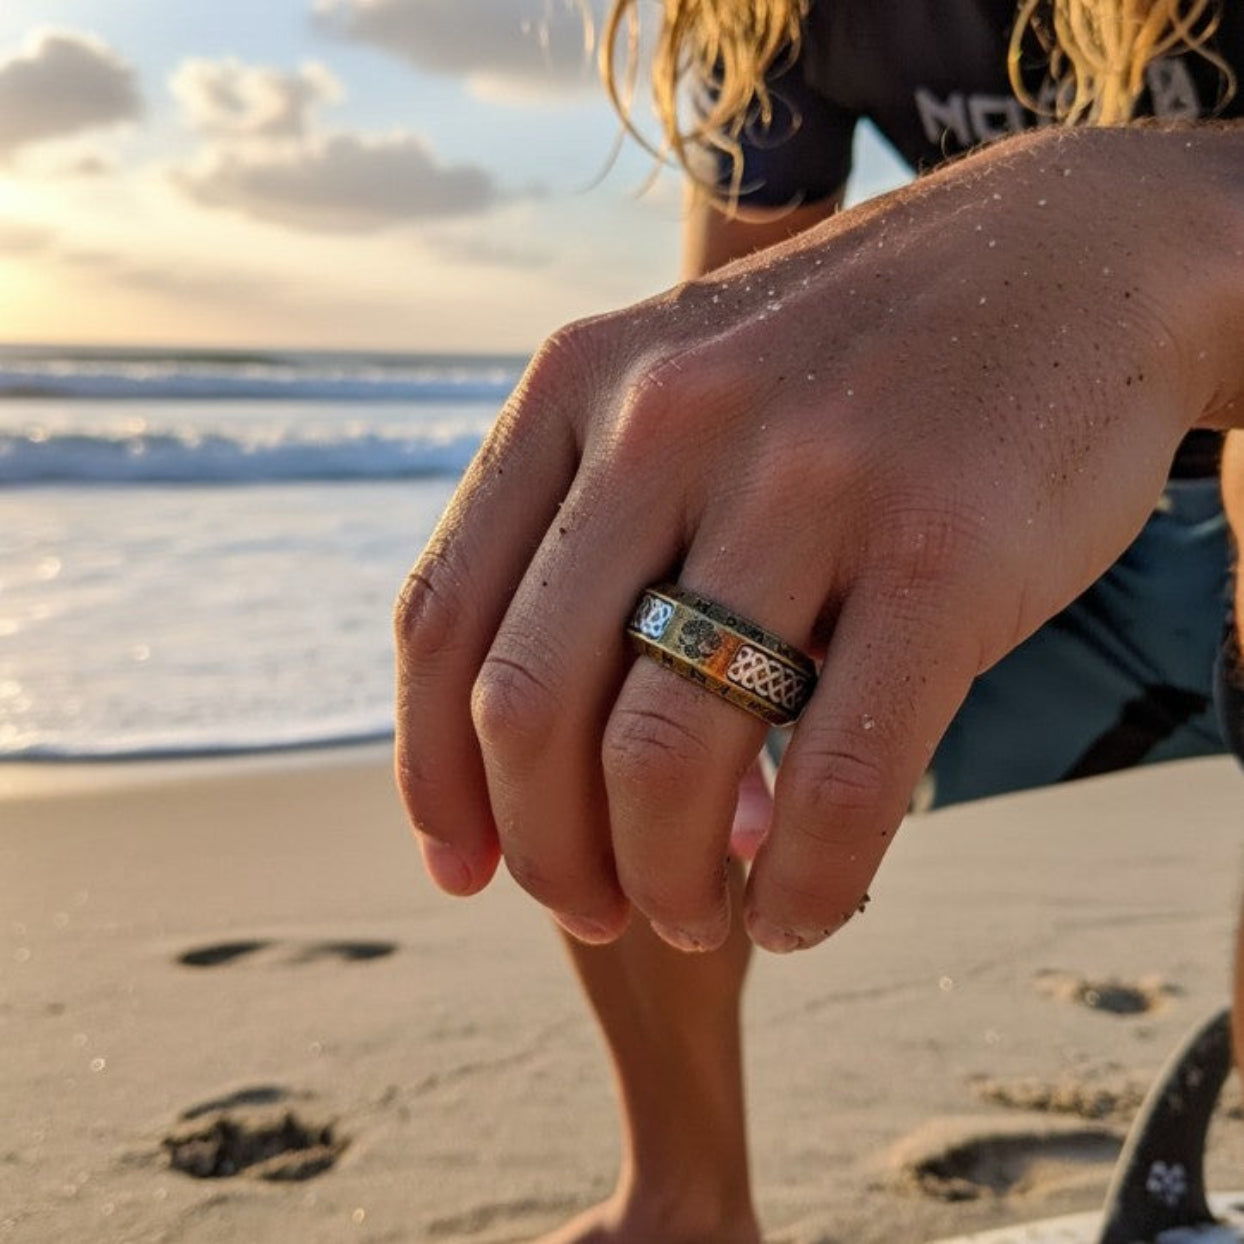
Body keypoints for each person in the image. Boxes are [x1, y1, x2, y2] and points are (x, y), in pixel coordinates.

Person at [393, 2, 1244, 1239]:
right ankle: (683, 1200)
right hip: (1000, 545)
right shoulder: (783, 18)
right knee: (626, 621)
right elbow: (735, 366)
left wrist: (1165, 214)